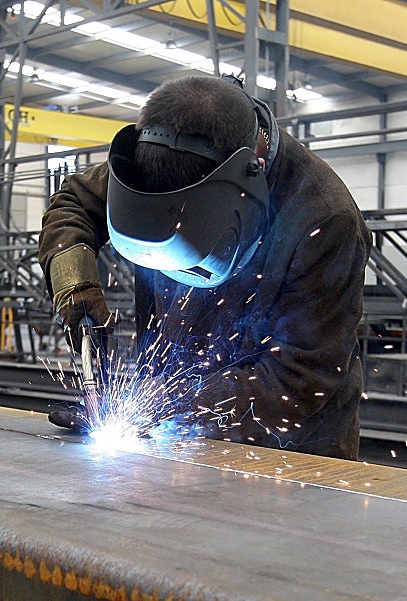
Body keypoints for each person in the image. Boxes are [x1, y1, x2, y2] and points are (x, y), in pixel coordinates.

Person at [39, 75, 370, 460]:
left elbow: (300, 378)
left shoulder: (325, 219)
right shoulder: (154, 159)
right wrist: (75, 286)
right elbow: (74, 203)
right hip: (164, 431)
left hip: (292, 445)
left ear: (251, 173)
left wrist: (169, 404)